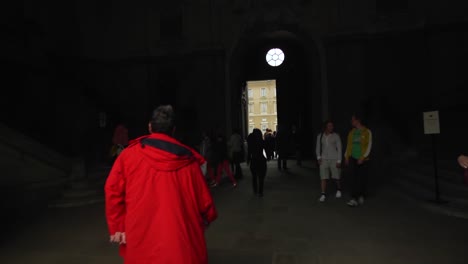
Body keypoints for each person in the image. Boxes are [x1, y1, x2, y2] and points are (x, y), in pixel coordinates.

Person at [104, 105, 218, 264]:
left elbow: (112, 191)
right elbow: (205, 205)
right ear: (173, 130)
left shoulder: (128, 156)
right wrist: (205, 219)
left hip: (141, 242)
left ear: (150, 126)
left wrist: (118, 227)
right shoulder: (189, 162)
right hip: (180, 246)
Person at [344, 113, 372, 207]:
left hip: (363, 159)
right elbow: (348, 145)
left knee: (362, 179)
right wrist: (346, 156)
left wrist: (362, 157)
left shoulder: (367, 132)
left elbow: (369, 146)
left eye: (352, 120)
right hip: (353, 158)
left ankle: (361, 195)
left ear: (358, 120)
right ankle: (354, 198)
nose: (351, 122)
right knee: (353, 178)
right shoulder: (351, 132)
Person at [315, 120, 343, 202]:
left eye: (332, 126)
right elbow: (317, 148)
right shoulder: (320, 136)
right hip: (324, 159)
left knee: (336, 176)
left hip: (334, 159)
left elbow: (339, 148)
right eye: (329, 126)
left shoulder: (336, 136)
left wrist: (339, 161)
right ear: (326, 127)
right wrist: (318, 158)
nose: (331, 127)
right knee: (323, 177)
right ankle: (323, 194)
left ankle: (339, 189)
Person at [247, 128, 267, 197]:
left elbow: (249, 152)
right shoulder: (261, 141)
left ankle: (255, 190)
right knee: (261, 177)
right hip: (261, 160)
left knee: (254, 177)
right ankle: (260, 192)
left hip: (254, 160)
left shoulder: (251, 142)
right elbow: (266, 149)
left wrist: (248, 160)